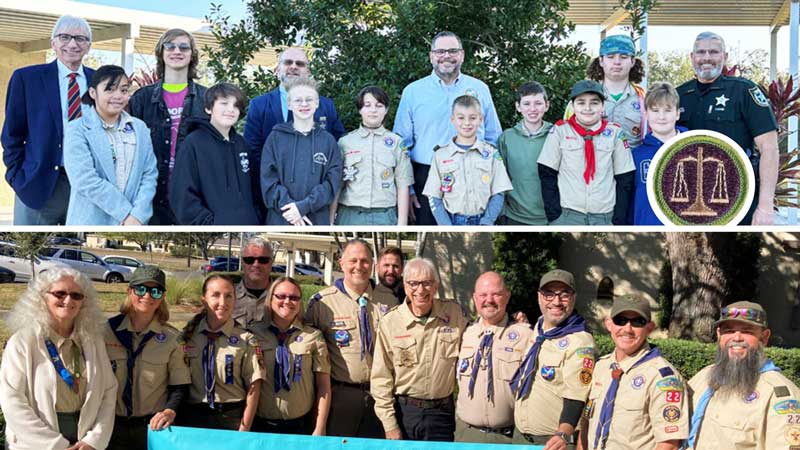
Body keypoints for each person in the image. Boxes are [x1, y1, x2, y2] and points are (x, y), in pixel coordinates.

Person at [0, 263, 117, 449]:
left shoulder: (93, 341)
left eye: (76, 295)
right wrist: (56, 445)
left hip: (83, 442)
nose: (68, 300)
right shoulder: (23, 342)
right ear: (42, 297)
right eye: (60, 293)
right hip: (36, 443)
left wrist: (94, 440)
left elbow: (109, 391)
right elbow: (12, 401)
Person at [394, 31, 502, 225]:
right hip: (425, 177)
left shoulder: (480, 89)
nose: (446, 56)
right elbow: (401, 146)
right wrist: (407, 190)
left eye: (452, 51)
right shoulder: (413, 92)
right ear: (431, 56)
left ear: (462, 55)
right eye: (440, 51)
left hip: (475, 174)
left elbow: (494, 138)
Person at [677, 31, 779, 225]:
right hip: (689, 202)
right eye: (701, 52)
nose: (707, 58)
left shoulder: (744, 91)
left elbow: (769, 148)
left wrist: (765, 206)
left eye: (714, 52)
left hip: (739, 197)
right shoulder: (679, 95)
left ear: (724, 56)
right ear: (692, 57)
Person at [2, 15, 94, 225]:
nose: (72, 44)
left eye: (80, 38)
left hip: (86, 186)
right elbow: (12, 134)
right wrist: (17, 177)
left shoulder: (99, 81)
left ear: (88, 46)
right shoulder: (27, 78)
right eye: (65, 37)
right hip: (38, 185)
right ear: (53, 43)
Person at [304, 239, 399, 438]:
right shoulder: (322, 303)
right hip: (341, 397)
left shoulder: (390, 301)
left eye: (364, 261)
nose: (359, 266)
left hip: (382, 398)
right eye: (353, 260)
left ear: (372, 264)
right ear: (341, 263)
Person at [371, 257, 468, 441]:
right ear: (405, 285)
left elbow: (479, 334)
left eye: (427, 283)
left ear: (436, 286)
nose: (420, 290)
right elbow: (381, 378)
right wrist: (390, 424)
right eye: (414, 283)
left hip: (442, 414)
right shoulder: (391, 322)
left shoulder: (454, 314)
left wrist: (512, 321)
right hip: (405, 413)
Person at [685, 301, 800, 450]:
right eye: (729, 330)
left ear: (764, 337)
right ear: (719, 335)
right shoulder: (704, 376)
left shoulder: (778, 395)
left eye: (747, 331)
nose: (737, 338)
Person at [578, 295, 688, 450]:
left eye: (637, 322)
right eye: (620, 320)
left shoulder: (662, 378)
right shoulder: (601, 367)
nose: (627, 329)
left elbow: (669, 444)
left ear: (649, 327)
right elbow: (587, 423)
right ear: (609, 324)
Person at [104, 265, 191, 450]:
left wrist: (169, 411)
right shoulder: (106, 331)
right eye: (141, 289)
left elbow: (179, 385)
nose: (147, 296)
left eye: (155, 291)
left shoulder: (172, 339)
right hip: (111, 425)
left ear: (163, 297)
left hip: (152, 427)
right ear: (129, 291)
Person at [128, 28, 208, 225]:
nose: (177, 51)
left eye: (184, 47)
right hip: (150, 196)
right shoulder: (142, 98)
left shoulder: (207, 98)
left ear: (192, 55)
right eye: (170, 46)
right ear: (161, 53)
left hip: (193, 195)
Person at [245, 46, 346, 202]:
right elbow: (253, 150)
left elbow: (337, 147)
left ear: (308, 71)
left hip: (316, 198)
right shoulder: (259, 105)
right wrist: (275, 190)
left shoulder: (326, 106)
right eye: (288, 62)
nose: (293, 66)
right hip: (273, 197)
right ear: (278, 69)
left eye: (299, 63)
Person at [510, 269, 596, 450]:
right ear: (539, 297)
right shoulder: (539, 327)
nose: (556, 302)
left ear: (573, 297)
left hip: (554, 442)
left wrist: (564, 432)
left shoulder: (580, 341)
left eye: (564, 295)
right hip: (521, 437)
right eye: (549, 294)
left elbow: (577, 395)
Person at [63, 65, 158, 225]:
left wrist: (138, 216)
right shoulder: (77, 129)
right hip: (91, 221)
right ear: (93, 93)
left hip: (134, 223)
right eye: (110, 89)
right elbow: (85, 180)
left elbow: (149, 174)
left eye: (124, 90)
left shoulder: (139, 128)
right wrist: (125, 213)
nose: (118, 96)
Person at [538, 80, 635, 226]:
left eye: (594, 103)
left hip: (605, 217)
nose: (587, 108)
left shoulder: (615, 133)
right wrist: (554, 215)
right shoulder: (560, 131)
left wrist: (618, 219)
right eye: (581, 102)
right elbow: (547, 173)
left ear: (603, 106)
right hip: (567, 215)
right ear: (572, 106)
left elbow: (625, 178)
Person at [177, 274, 264, 431]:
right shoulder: (187, 336)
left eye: (228, 296)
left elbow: (254, 386)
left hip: (232, 416)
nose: (223, 302)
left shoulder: (246, 339)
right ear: (204, 299)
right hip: (193, 415)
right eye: (215, 295)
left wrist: (245, 427)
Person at [455, 272, 533, 444]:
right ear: (475, 298)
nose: (489, 300)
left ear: (507, 296)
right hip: (466, 435)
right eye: (483, 295)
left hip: (508, 437)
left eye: (496, 294)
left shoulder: (525, 335)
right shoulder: (464, 334)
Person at [169, 82, 262, 225]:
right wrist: (209, 224)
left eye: (236, 105)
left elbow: (255, 191)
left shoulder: (242, 144)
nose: (230, 109)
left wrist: (256, 217)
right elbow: (182, 196)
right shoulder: (193, 143)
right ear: (208, 108)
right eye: (224, 103)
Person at [250, 277, 332, 435]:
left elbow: (323, 386)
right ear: (270, 299)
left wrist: (320, 427)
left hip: (300, 425)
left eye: (294, 297)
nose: (287, 301)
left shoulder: (313, 336)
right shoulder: (253, 334)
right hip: (260, 424)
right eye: (281, 296)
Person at [261, 77, 343, 225]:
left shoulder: (328, 141)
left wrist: (303, 207)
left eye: (309, 99)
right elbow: (268, 180)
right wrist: (291, 209)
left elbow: (332, 183)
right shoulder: (275, 138)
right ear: (289, 104)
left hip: (317, 221)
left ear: (317, 103)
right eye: (298, 100)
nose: (304, 104)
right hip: (282, 218)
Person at [423, 95, 513, 226]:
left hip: (483, 220)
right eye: (461, 118)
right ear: (453, 119)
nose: (467, 123)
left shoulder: (491, 154)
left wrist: (487, 221)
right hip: (452, 221)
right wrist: (446, 226)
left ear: (480, 119)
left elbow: (499, 192)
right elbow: (434, 197)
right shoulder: (440, 156)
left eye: (472, 118)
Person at [332, 86, 413, 225]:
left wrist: (402, 224)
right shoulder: (345, 142)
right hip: (350, 215)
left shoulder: (396, 143)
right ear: (360, 109)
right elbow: (337, 184)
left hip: (384, 215)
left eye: (379, 105)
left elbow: (403, 184)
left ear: (386, 109)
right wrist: (330, 219)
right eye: (367, 105)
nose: (373, 110)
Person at [629, 82, 687, 225]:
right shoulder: (636, 156)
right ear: (646, 114)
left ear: (677, 114)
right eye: (655, 110)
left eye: (667, 110)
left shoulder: (693, 148)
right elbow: (630, 202)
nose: (661, 117)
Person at [497, 82, 553, 225]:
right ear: (518, 106)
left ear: (547, 105)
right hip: (514, 216)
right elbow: (499, 179)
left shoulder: (556, 135)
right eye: (526, 104)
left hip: (550, 217)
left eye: (538, 103)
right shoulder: (507, 138)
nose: (532, 109)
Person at [577, 34, 647, 148]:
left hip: (632, 158)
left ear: (632, 61)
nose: (617, 62)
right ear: (601, 61)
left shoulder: (644, 99)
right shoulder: (581, 98)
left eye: (624, 57)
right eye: (610, 57)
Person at [233, 236, 274, 329]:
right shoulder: (228, 297)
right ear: (242, 262)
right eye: (249, 260)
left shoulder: (284, 299)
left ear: (271, 262)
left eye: (263, 260)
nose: (256, 264)